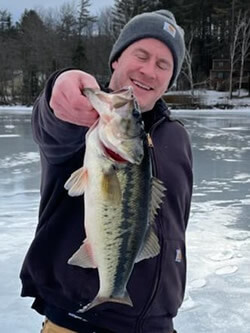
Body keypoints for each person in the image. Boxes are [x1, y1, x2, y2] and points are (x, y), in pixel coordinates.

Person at [20, 9, 193, 333]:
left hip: (158, 324)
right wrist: (58, 93)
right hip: (77, 321)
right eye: (140, 55)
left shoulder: (177, 137)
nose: (148, 70)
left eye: (162, 64)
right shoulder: (87, 118)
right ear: (116, 59)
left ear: (170, 78)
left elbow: (176, 223)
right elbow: (53, 129)